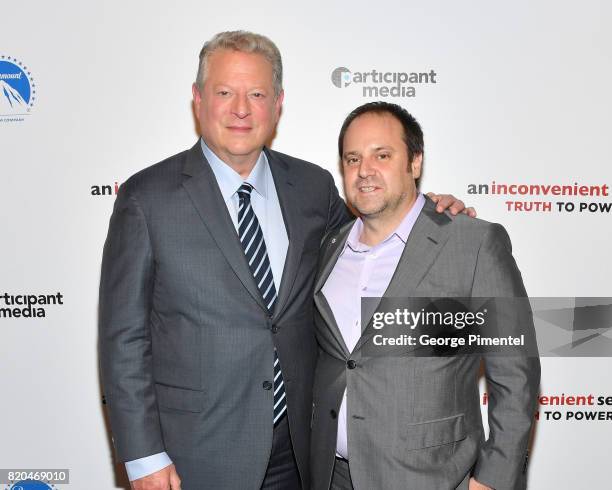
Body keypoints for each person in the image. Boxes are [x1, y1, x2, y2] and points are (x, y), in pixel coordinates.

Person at [98, 31, 470, 490]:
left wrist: (427, 209)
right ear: (198, 100)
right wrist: (143, 459)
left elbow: (378, 232)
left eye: (257, 94)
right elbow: (123, 340)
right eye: (224, 92)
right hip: (193, 455)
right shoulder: (147, 198)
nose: (241, 109)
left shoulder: (312, 187)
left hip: (303, 451)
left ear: (278, 104)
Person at [310, 101, 540, 490]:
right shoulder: (330, 246)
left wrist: (494, 479)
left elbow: (516, 374)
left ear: (414, 163)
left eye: (382, 155)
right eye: (352, 159)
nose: (364, 170)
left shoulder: (473, 244)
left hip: (433, 478)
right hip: (333, 476)